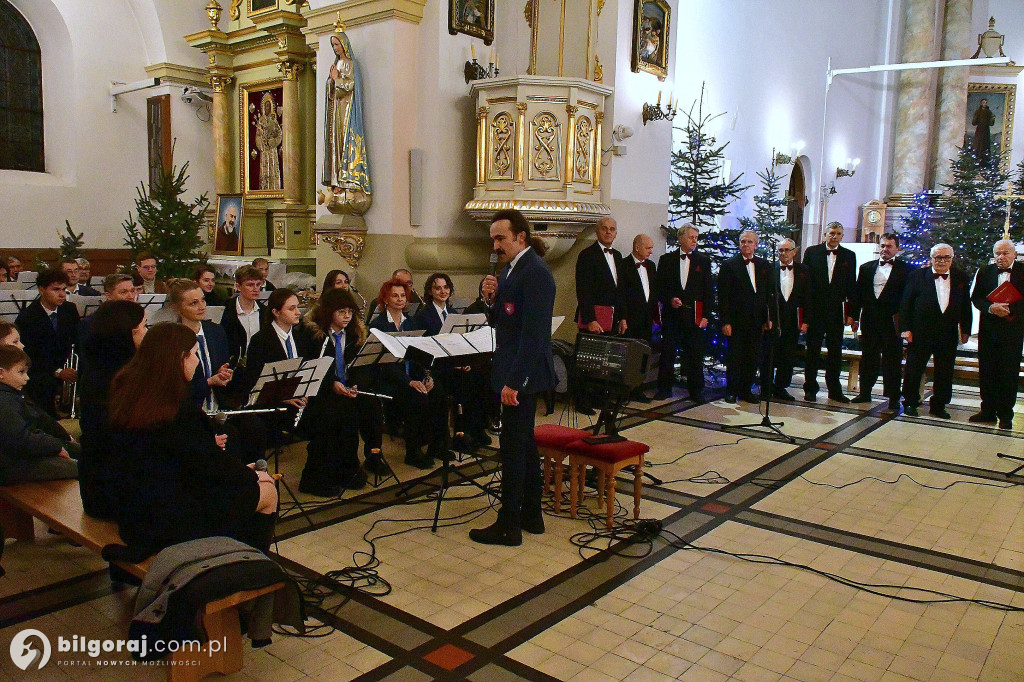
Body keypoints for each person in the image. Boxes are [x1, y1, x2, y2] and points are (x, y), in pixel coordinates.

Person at [107, 323, 277, 559]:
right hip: (171, 519)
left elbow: (180, 458)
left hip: (133, 508)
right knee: (268, 491)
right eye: (195, 354)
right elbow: (208, 467)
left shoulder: (128, 389)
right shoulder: (178, 409)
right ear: (179, 358)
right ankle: (248, 569)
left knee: (243, 482)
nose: (197, 361)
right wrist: (249, 475)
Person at [469, 209, 556, 546]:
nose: (495, 244)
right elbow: (506, 322)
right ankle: (531, 515)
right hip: (514, 370)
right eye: (493, 238)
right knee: (525, 446)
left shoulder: (535, 272)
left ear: (521, 237)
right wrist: (491, 300)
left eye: (500, 237)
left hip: (523, 376)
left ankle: (508, 525)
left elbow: (533, 336)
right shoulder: (512, 270)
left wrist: (513, 383)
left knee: (513, 449)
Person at [301, 288, 381, 496]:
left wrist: (355, 384)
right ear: (329, 312)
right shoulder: (314, 334)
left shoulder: (354, 333)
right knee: (338, 415)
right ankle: (319, 475)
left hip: (346, 389)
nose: (347, 316)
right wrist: (332, 384)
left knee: (369, 407)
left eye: (350, 312)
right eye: (341, 312)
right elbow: (312, 367)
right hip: (321, 391)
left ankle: (354, 465)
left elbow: (359, 366)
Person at [77, 300, 146, 518]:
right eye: (144, 327)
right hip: (115, 492)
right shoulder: (121, 377)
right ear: (129, 333)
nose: (147, 333)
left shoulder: (99, 362)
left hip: (99, 485)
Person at [369, 278, 447, 468]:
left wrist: (427, 376)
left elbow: (418, 356)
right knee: (416, 397)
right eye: (395, 295)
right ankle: (412, 451)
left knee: (439, 394)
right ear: (385, 299)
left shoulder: (410, 322)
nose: (400, 299)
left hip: (411, 375)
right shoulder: (379, 325)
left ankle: (437, 445)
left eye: (403, 295)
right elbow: (383, 364)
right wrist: (409, 381)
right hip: (390, 378)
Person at [899, 244, 973, 418]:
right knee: (914, 369)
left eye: (946, 257)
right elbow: (905, 304)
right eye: (938, 257)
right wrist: (905, 329)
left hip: (947, 333)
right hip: (919, 332)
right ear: (931, 258)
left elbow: (965, 305)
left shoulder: (961, 277)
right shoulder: (917, 276)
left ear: (952, 258)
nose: (942, 261)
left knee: (945, 371)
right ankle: (910, 402)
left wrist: (966, 329)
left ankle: (939, 405)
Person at [0, 345, 79, 485]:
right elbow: (19, 439)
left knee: (82, 453)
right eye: (21, 372)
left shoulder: (11, 395)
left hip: (18, 458)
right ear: (1, 373)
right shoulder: (4, 399)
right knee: (80, 467)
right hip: (12, 466)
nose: (27, 378)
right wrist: (55, 446)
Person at [655, 223, 712, 402]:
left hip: (694, 316)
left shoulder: (703, 261)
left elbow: (709, 291)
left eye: (696, 237)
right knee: (668, 353)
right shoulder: (666, 260)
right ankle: (664, 388)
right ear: (681, 238)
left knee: (695, 354)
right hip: (672, 317)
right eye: (691, 237)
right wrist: (670, 300)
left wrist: (706, 316)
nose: (694, 240)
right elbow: (659, 289)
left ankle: (696, 391)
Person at [969, 239, 1024, 429]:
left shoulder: (1023, 271)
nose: (1001, 257)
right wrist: (991, 308)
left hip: (1013, 331)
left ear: (1014, 254)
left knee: (1008, 373)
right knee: (987, 371)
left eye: (1005, 253)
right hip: (989, 330)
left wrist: (1010, 311)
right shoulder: (985, 271)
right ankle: (988, 411)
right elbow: (976, 297)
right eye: (997, 254)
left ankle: (1006, 414)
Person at [850, 233, 909, 406]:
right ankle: (865, 392)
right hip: (870, 320)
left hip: (893, 322)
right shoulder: (866, 267)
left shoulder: (907, 270)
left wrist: (906, 325)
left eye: (889, 246)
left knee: (892, 360)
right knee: (868, 358)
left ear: (897, 249)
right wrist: (854, 317)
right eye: (882, 246)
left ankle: (893, 397)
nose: (885, 249)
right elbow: (858, 295)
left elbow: (908, 299)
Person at [802, 222, 858, 402]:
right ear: (825, 234)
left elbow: (852, 286)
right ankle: (810, 389)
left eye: (838, 234)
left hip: (836, 313)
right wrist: (805, 315)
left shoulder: (849, 256)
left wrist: (853, 314)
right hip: (815, 311)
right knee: (812, 351)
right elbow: (806, 284)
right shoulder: (812, 252)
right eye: (832, 233)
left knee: (835, 352)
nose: (835, 236)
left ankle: (835, 390)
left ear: (842, 236)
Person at [15, 268, 80, 417]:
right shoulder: (27, 317)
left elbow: (76, 342)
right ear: (42, 290)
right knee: (41, 385)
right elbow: (29, 354)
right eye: (56, 289)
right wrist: (57, 372)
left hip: (66, 366)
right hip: (41, 371)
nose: (62, 294)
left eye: (64, 289)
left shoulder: (69, 310)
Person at [718, 231, 773, 403]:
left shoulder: (764, 266)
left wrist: (768, 318)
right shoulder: (729, 265)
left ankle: (746, 390)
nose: (746, 244)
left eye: (750, 242)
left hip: (757, 321)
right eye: (743, 241)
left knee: (752, 356)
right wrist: (725, 321)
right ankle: (731, 390)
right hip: (736, 320)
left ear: (756, 245)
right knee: (735, 357)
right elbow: (723, 296)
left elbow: (769, 295)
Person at [322, 31, 372, 215]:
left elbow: (349, 86)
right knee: (335, 144)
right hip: (337, 111)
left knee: (346, 143)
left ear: (344, 45)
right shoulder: (337, 64)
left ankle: (348, 182)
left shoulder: (349, 64)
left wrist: (336, 79)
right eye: (333, 45)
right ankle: (338, 182)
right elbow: (333, 90)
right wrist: (331, 81)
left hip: (347, 112)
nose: (335, 48)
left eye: (337, 44)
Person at [615, 234, 658, 401]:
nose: (651, 251)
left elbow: (653, 293)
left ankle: (638, 389)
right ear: (637, 247)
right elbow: (621, 294)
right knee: (628, 356)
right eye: (648, 248)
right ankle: (624, 390)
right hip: (630, 319)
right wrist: (623, 317)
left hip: (646, 319)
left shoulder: (652, 266)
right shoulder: (623, 265)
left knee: (643, 356)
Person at [767, 239, 809, 401]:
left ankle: (780, 387)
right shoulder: (770, 269)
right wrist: (767, 318)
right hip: (773, 320)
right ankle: (767, 386)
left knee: (787, 355)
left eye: (786, 250)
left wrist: (806, 321)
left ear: (794, 251)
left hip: (793, 320)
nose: (783, 254)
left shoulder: (804, 271)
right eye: (780, 250)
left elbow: (808, 297)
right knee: (770, 353)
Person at [221, 265, 268, 365]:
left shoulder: (264, 311)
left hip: (258, 365)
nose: (255, 289)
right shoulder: (227, 310)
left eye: (258, 284)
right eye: (250, 285)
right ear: (238, 287)